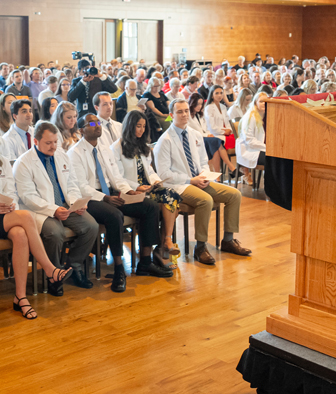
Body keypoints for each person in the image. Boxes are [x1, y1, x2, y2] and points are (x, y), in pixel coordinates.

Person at [0, 120, 70, 318]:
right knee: (26, 216)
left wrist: (10, 207)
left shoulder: (1, 160)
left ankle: (21, 297)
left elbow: (12, 192)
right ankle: (50, 269)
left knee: (20, 234)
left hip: (3, 216)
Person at [70, 115, 171, 292]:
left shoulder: (104, 149)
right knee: (114, 215)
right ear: (81, 130)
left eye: (98, 122)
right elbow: (81, 186)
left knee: (150, 207)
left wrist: (129, 191)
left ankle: (145, 262)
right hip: (92, 198)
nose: (98, 126)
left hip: (111, 193)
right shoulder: (75, 153)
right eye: (92, 124)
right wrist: (106, 198)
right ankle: (119, 269)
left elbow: (116, 177)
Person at [155, 98, 248, 266]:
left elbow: (204, 162)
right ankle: (201, 247)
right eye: (179, 112)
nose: (184, 115)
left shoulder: (195, 134)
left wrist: (204, 176)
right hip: (178, 185)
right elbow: (163, 175)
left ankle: (228, 240)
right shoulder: (165, 140)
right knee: (205, 200)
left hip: (199, 180)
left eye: (186, 111)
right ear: (171, 115)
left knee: (234, 194)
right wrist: (191, 180)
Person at [13, 121, 100, 295]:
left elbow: (72, 183)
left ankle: (73, 267)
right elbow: (28, 197)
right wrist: (53, 210)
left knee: (91, 226)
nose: (53, 147)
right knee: (54, 233)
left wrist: (76, 203)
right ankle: (53, 275)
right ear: (35, 142)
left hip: (66, 206)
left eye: (55, 142)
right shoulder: (23, 163)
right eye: (48, 143)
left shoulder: (62, 155)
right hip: (41, 211)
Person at [112, 110, 180, 259]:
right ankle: (163, 246)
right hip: (130, 192)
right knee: (166, 203)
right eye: (138, 126)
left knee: (173, 195)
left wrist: (155, 181)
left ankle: (166, 241)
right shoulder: (117, 147)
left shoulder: (143, 145)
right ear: (130, 126)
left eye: (143, 126)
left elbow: (149, 169)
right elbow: (117, 177)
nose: (141, 130)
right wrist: (136, 187)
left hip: (147, 188)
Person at [236, 93, 268, 187]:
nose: (264, 103)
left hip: (259, 148)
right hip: (249, 150)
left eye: (266, 101)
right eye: (261, 101)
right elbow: (249, 140)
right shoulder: (250, 117)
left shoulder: (265, 115)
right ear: (255, 103)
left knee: (278, 157)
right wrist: (267, 147)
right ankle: (270, 186)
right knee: (272, 159)